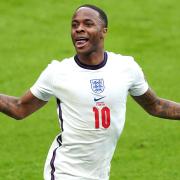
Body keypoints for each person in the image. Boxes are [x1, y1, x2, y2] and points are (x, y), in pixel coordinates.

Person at [0, 4, 180, 180]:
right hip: (65, 172)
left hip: (100, 173)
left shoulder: (126, 68)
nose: (79, 29)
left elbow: (155, 106)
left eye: (88, 23)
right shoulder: (58, 72)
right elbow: (19, 108)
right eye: (74, 25)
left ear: (104, 31)